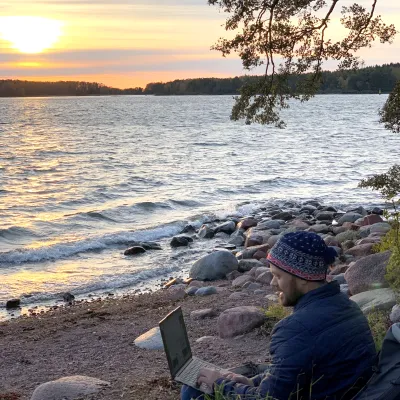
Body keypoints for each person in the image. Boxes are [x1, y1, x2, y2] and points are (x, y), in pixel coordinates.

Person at [181, 231, 377, 400]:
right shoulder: (348, 306)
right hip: (347, 392)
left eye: (278, 276)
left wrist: (220, 384)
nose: (272, 283)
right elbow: (303, 370)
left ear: (303, 278)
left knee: (193, 388)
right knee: (249, 373)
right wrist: (252, 381)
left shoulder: (296, 328)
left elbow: (268, 398)